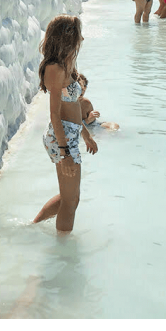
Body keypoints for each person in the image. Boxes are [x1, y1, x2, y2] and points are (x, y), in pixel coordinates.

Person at [32, 15, 98, 232]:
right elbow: (54, 113)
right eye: (78, 35)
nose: (81, 40)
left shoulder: (66, 65)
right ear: (67, 38)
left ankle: (34, 226)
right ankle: (63, 253)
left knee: (70, 198)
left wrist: (85, 133)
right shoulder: (54, 69)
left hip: (70, 134)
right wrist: (65, 152)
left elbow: (74, 106)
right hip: (61, 138)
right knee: (71, 202)